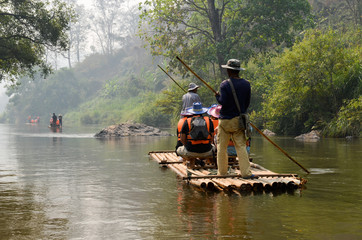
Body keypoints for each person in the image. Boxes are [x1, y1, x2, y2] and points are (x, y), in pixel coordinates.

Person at [215, 59, 253, 178]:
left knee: (222, 147)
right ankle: (246, 173)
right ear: (238, 71)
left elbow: (223, 102)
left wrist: (218, 97)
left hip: (225, 121)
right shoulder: (246, 84)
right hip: (238, 121)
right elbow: (247, 103)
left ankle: (222, 172)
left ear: (229, 70)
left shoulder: (224, 84)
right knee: (241, 146)